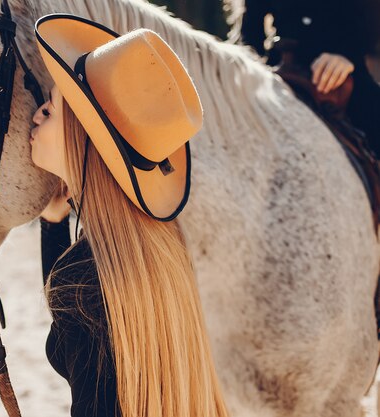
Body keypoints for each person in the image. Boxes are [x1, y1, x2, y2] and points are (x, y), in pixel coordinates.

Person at [30, 13, 230, 417]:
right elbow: (73, 329)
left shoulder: (86, 278)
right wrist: (54, 223)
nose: (35, 115)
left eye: (49, 110)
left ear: (80, 138)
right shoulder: (153, 248)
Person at [240, 0, 380, 157]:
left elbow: (372, 17)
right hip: (279, 68)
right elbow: (250, 36)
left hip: (341, 69)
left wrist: (348, 55)